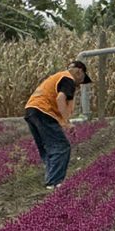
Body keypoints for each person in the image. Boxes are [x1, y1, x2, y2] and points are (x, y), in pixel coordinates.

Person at [24, 61, 92, 190]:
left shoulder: (59, 76)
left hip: (31, 110)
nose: (80, 84)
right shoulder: (69, 79)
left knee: (48, 148)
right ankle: (54, 183)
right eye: (82, 80)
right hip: (44, 112)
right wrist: (65, 123)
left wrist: (65, 121)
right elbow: (60, 99)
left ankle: (50, 180)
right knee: (61, 147)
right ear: (79, 72)